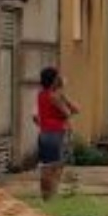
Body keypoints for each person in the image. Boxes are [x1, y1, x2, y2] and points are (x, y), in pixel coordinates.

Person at [33, 67, 78, 200]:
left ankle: (47, 195)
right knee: (54, 167)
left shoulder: (41, 94)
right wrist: (63, 96)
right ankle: (50, 195)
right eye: (58, 77)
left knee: (47, 166)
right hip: (55, 133)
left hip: (45, 133)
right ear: (54, 80)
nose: (61, 79)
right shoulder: (54, 96)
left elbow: (36, 116)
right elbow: (69, 112)